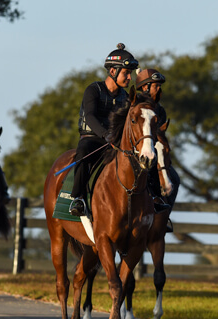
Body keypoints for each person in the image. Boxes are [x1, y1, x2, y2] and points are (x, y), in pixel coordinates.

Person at [69, 43, 139, 216]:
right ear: (113, 71)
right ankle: (77, 198)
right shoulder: (93, 90)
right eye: (126, 73)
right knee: (83, 152)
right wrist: (105, 135)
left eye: (130, 74)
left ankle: (153, 200)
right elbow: (90, 117)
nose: (129, 78)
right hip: (93, 138)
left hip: (115, 142)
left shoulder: (125, 97)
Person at [136, 68, 176, 213]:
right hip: (135, 151)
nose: (159, 89)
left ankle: (164, 215)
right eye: (156, 86)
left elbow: (159, 136)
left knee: (175, 179)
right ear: (144, 87)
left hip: (153, 152)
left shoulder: (160, 110)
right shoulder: (133, 104)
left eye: (160, 86)